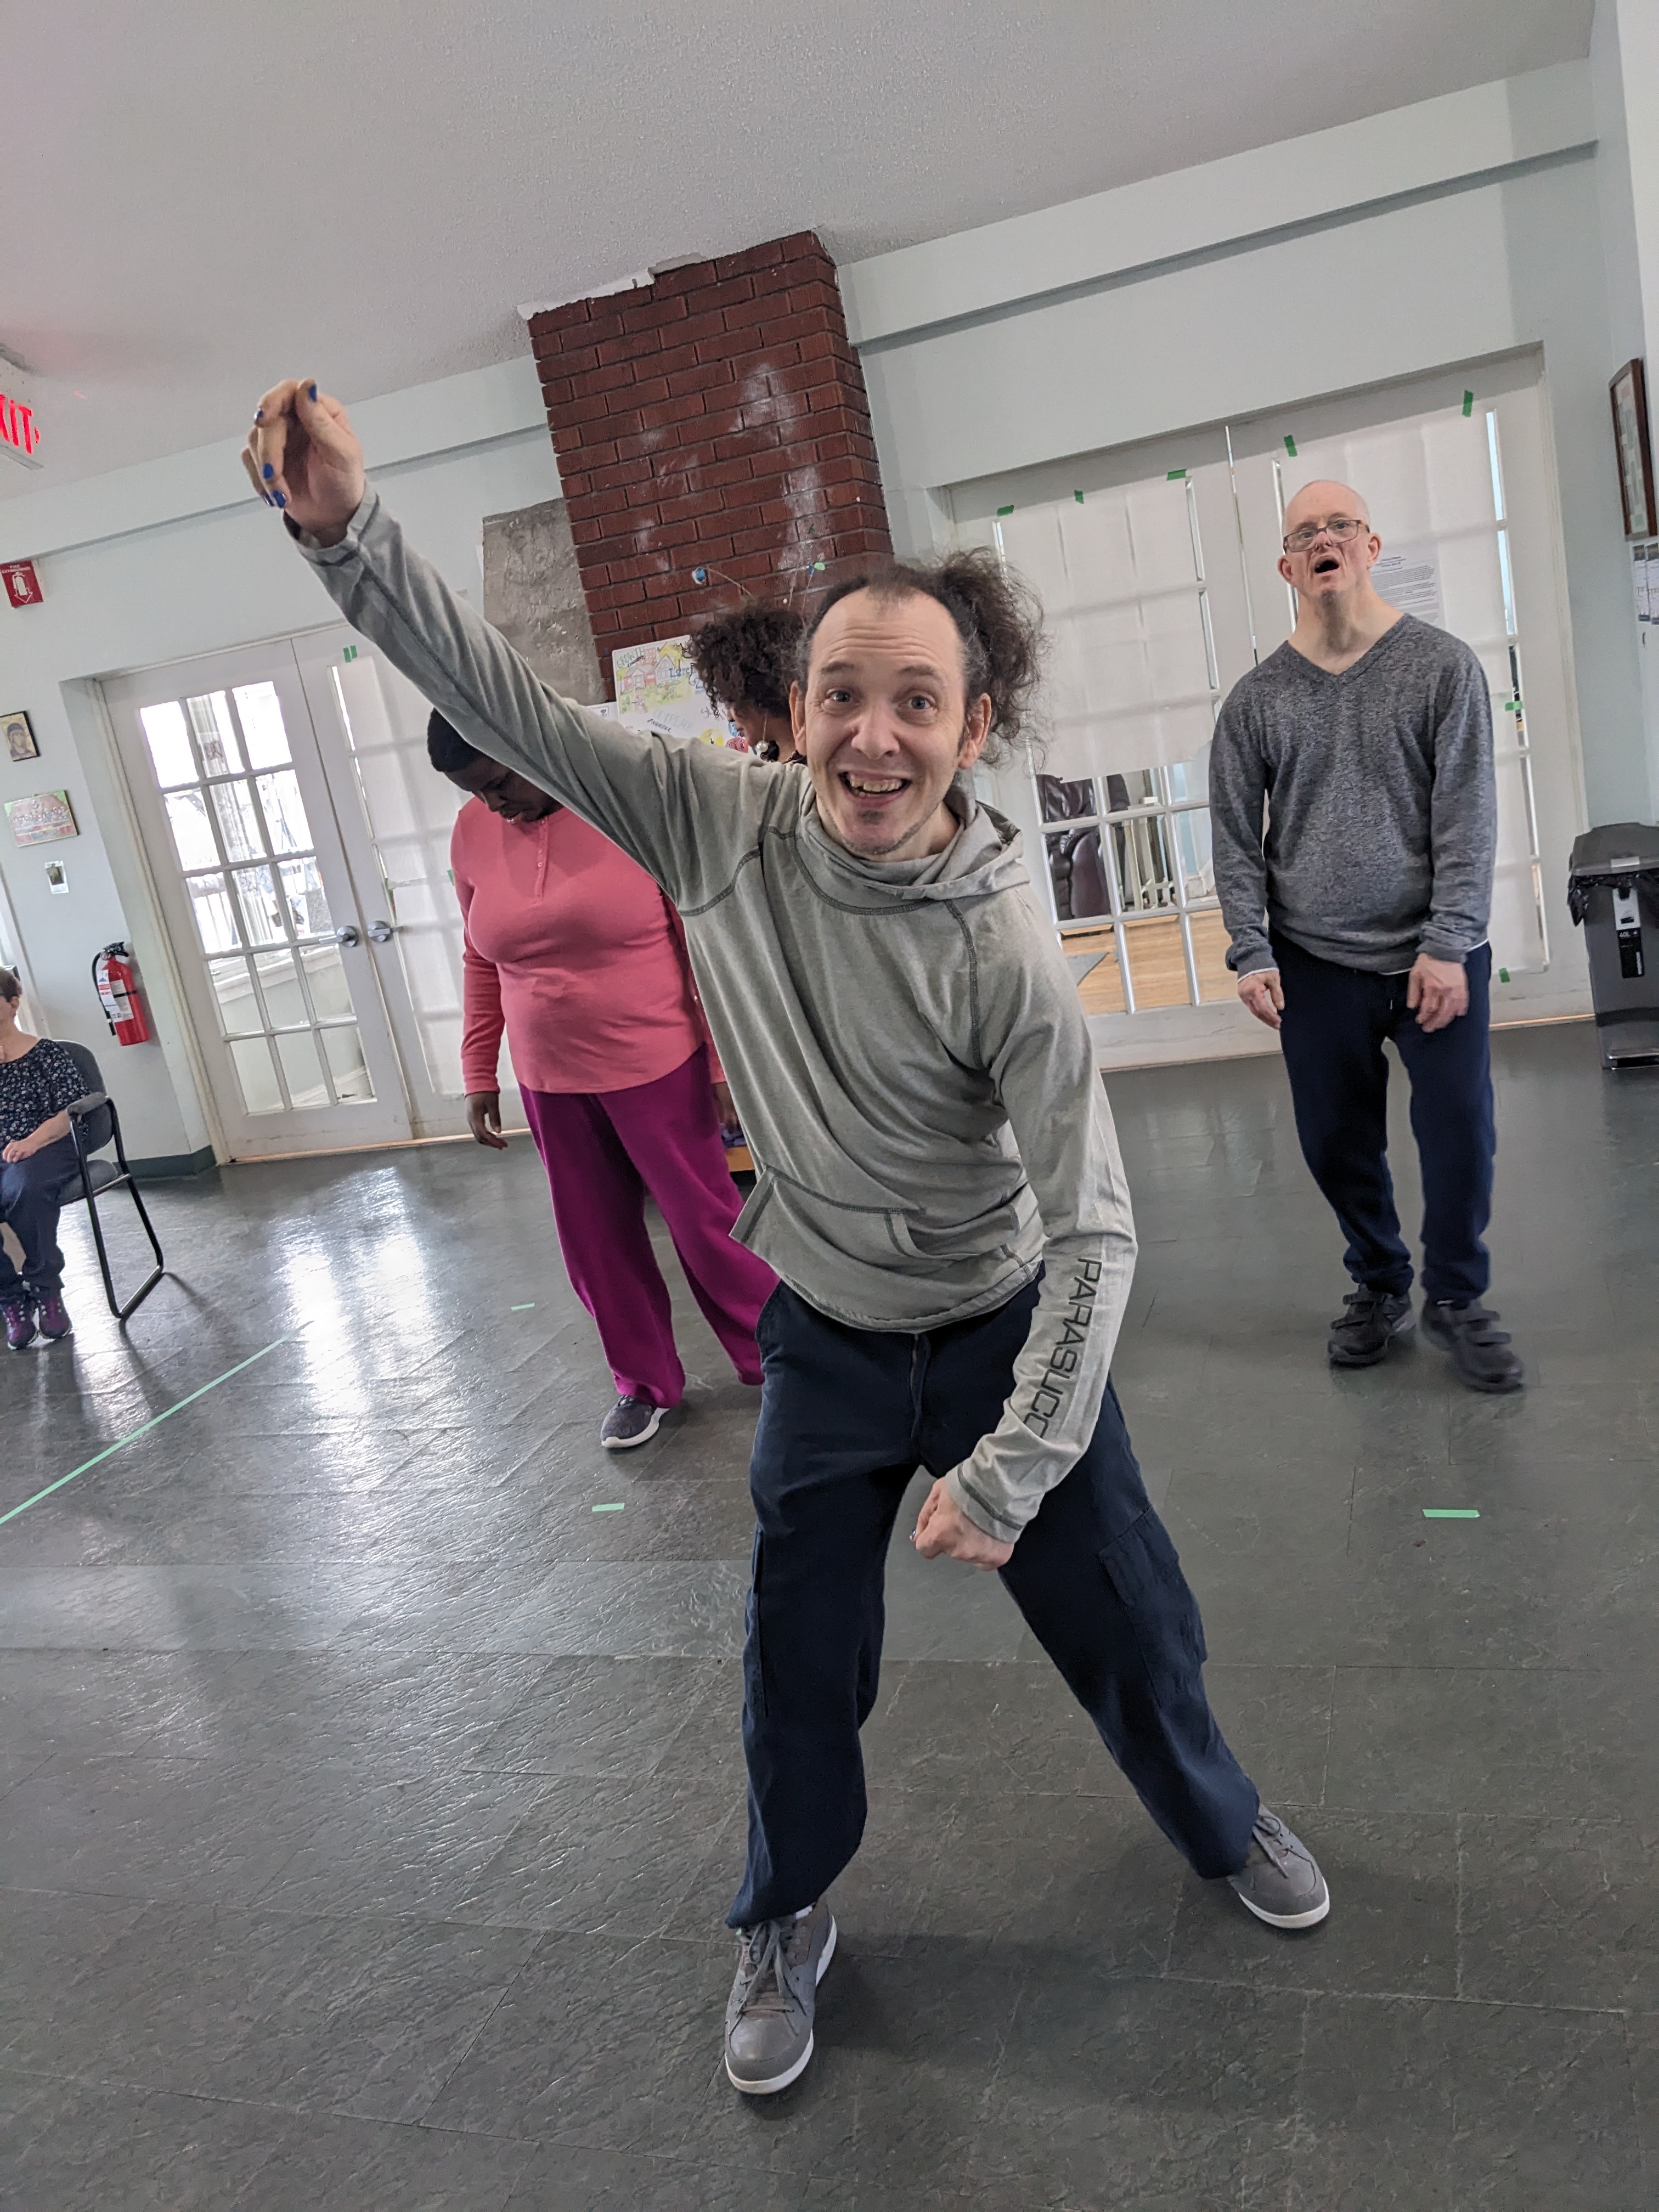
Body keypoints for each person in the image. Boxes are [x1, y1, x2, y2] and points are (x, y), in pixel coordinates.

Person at [244, 380, 1330, 2101]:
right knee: (795, 1657)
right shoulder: (715, 826)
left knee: (1130, 1617)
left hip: (992, 1330)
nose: (875, 737)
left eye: (919, 702)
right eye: (845, 695)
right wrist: (342, 536)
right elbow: (503, 701)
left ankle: (1218, 1818)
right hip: (825, 1336)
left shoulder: (1007, 958)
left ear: (973, 730)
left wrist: (1020, 1456)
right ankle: (785, 1912)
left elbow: (1097, 1235)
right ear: (794, 714)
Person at [1209, 479, 1523, 1393]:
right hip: (1314, 961)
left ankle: (1456, 1294)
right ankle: (1379, 1280)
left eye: (1337, 525)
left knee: (1459, 1130)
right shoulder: (1256, 701)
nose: (1322, 540)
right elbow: (1233, 837)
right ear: (1285, 566)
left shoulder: (1440, 668)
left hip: (1434, 951)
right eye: (1303, 533)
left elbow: (1467, 816)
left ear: (1369, 544)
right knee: (1334, 1141)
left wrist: (1448, 941)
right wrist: (1251, 949)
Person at [432, 708, 775, 1449]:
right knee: (595, 1240)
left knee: (708, 1223)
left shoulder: (625, 807)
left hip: (656, 1060)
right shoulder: (470, 832)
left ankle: (777, 1357)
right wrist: (478, 1071)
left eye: (499, 783)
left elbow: (700, 947)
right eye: (477, 794)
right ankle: (643, 1384)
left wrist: (720, 1061)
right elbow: (479, 959)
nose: (496, 805)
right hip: (548, 1077)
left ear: (527, 746)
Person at [0, 966, 85, 1350]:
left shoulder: (47, 1054)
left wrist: (32, 1141)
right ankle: (12, 1298)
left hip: (46, 1148)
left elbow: (71, 1110)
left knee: (26, 1188)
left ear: (13, 1003)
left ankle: (46, 1287)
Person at [688, 604, 806, 761]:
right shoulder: (770, 757)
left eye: (730, 700)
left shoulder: (813, 768)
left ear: (759, 692)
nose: (729, 716)